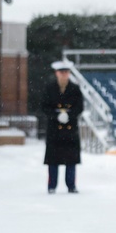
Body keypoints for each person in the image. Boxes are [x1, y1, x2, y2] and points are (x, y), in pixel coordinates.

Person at [42, 60, 84, 194]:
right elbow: (44, 106)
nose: (64, 75)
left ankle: (71, 185)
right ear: (56, 73)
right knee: (53, 160)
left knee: (71, 160)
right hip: (54, 129)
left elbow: (79, 107)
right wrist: (56, 116)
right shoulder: (49, 88)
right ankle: (52, 186)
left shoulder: (75, 88)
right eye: (61, 72)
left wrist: (69, 115)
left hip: (70, 130)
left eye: (66, 72)